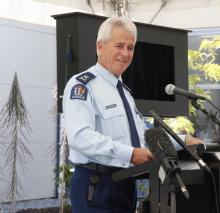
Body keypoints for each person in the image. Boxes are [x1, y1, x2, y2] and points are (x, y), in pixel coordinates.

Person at [62, 16, 202, 213]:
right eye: (119, 46)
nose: (125, 53)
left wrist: (181, 141)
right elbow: (80, 137)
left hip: (125, 184)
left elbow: (139, 140)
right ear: (100, 47)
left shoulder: (125, 92)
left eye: (130, 47)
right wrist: (130, 154)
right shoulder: (82, 85)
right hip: (96, 187)